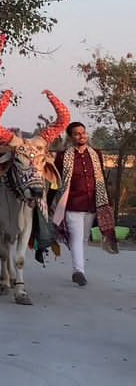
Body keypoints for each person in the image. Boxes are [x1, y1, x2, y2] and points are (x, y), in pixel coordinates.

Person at [51, 121, 118, 285]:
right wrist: (48, 199)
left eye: (83, 132)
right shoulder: (63, 156)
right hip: (72, 203)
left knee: (84, 237)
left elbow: (100, 177)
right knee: (76, 236)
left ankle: (79, 266)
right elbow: (56, 180)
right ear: (71, 137)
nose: (82, 136)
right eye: (77, 133)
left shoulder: (95, 154)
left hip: (91, 203)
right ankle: (78, 271)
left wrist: (106, 201)